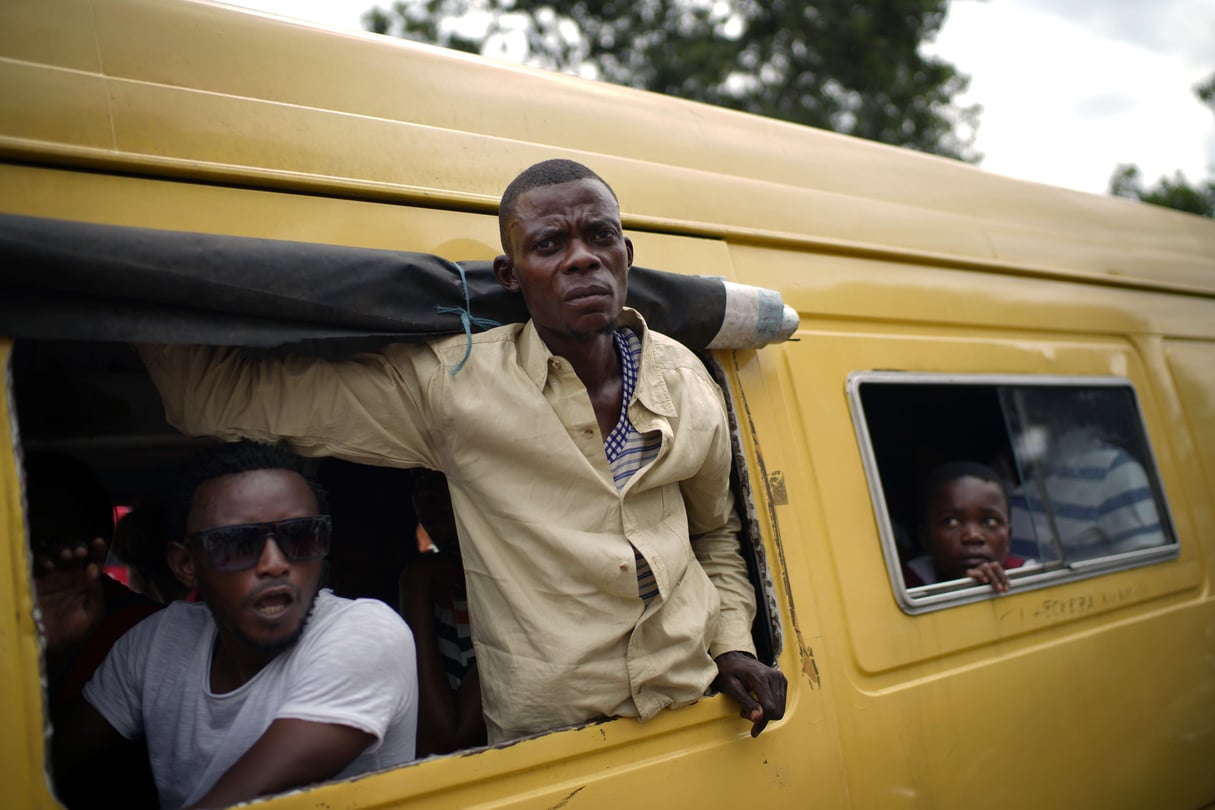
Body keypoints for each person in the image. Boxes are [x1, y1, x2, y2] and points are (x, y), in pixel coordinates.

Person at [138, 158, 787, 743]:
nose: (582, 258)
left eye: (600, 236)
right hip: (553, 748)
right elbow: (213, 399)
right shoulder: (454, 388)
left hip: (698, 718)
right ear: (510, 274)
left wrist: (732, 644)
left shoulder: (684, 378)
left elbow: (715, 536)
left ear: (625, 253)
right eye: (549, 244)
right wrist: (119, 264)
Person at [49, 441, 418, 810]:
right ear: (185, 565)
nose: (274, 563)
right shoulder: (156, 642)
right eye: (238, 543)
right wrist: (41, 646)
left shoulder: (364, 632)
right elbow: (36, 771)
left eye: (300, 536)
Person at [398, 469, 485, 756]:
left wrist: (415, 583)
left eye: (444, 476)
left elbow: (447, 739)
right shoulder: (447, 593)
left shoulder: (509, 591)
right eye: (418, 482)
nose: (427, 495)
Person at [903, 461, 1028, 593]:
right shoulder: (904, 587)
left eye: (990, 522)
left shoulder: (1029, 576)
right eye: (951, 522)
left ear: (1008, 537)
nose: (973, 536)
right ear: (926, 538)